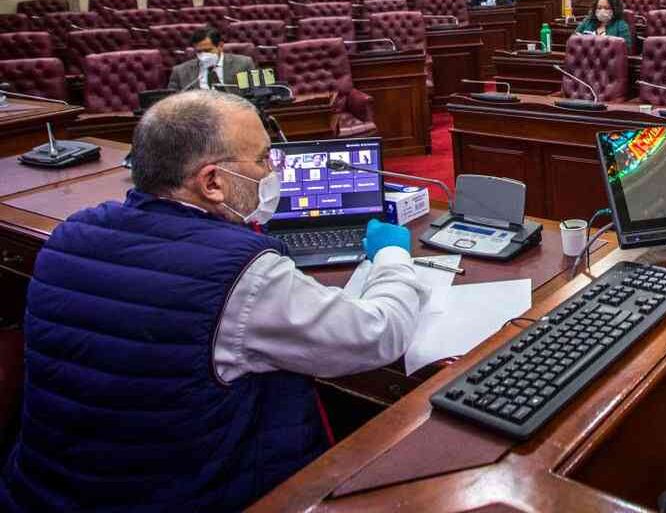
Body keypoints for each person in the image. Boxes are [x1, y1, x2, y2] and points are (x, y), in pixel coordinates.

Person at [0, 90, 426, 513]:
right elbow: (378, 334)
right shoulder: (240, 275)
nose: (272, 170)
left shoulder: (69, 235)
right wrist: (392, 255)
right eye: (262, 159)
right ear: (212, 183)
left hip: (40, 493)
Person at [166, 26, 254, 91]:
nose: (203, 55)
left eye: (207, 50)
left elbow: (253, 95)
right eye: (199, 52)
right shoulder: (180, 71)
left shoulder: (243, 64)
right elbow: (171, 101)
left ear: (220, 46)